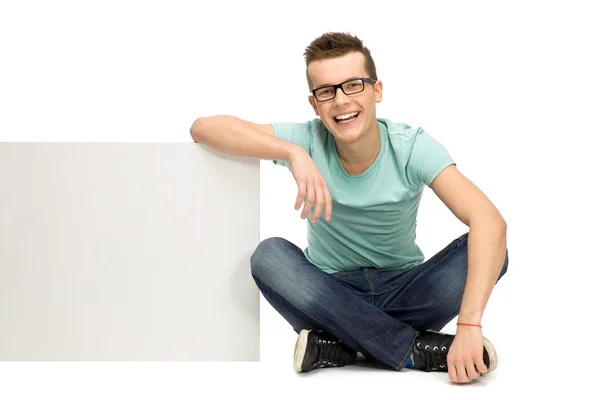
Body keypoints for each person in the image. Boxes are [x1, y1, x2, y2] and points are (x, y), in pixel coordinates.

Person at [189, 31, 509, 384]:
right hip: (330, 291)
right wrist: (292, 153)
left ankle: (341, 344)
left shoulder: (412, 147)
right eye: (327, 91)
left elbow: (488, 221)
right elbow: (203, 128)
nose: (341, 100)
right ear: (315, 104)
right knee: (269, 256)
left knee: (490, 250)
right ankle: (413, 349)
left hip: (405, 291)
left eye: (354, 85)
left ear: (377, 90)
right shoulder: (307, 140)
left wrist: (468, 325)